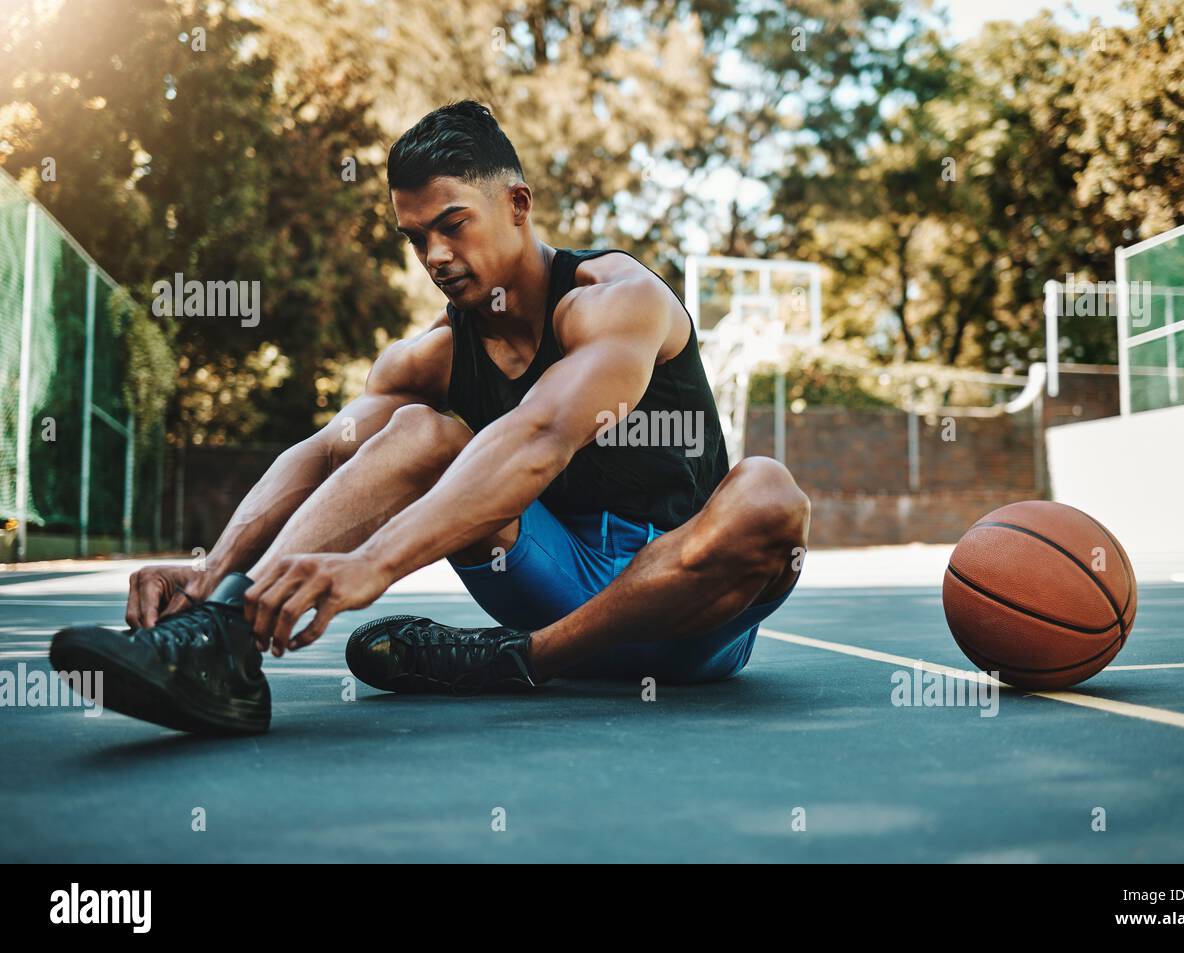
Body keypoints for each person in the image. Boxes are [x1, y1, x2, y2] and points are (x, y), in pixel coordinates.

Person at [50, 101, 811, 734]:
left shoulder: (615, 301)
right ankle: (219, 644)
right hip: (551, 577)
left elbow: (542, 436)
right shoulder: (434, 356)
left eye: (453, 224)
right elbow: (323, 454)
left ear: (517, 204)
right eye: (416, 238)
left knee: (768, 492)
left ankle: (516, 660)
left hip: (688, 612)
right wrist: (213, 572)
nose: (436, 255)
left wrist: (370, 566)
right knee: (418, 432)